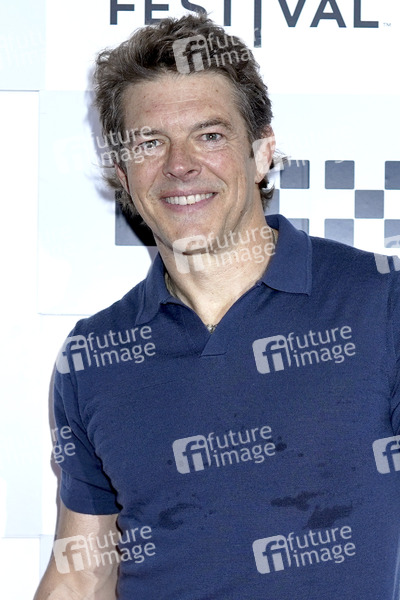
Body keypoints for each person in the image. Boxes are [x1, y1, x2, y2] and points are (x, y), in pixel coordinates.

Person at [34, 13, 400, 600]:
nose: (179, 164)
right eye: (150, 143)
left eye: (209, 135)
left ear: (262, 153)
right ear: (123, 173)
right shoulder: (93, 353)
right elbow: (83, 574)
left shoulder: (383, 302)